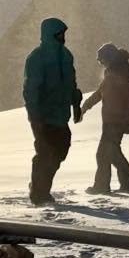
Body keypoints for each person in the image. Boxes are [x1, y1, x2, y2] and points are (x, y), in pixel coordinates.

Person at [22, 17, 81, 206]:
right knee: (45, 152)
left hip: (61, 114)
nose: (63, 37)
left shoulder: (66, 55)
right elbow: (31, 88)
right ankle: (39, 193)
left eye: (63, 33)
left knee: (61, 149)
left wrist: (75, 100)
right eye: (59, 34)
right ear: (50, 34)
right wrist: (34, 114)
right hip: (43, 115)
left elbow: (71, 81)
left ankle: (40, 186)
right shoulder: (37, 57)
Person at [82, 44, 129, 194]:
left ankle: (102, 186)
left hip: (116, 121)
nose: (101, 63)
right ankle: (128, 185)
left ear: (109, 58)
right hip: (110, 121)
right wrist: (85, 107)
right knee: (112, 153)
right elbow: (100, 93)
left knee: (104, 154)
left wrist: (128, 120)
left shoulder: (120, 72)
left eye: (101, 60)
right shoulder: (112, 72)